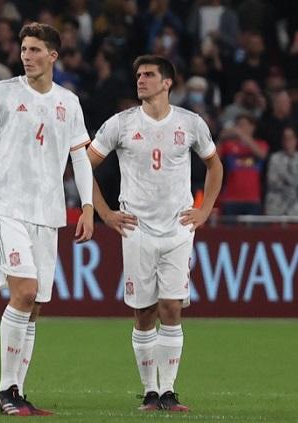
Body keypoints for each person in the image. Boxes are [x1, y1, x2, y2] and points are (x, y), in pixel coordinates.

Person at [0, 22, 95, 416]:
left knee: (33, 305)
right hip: (6, 209)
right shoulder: (4, 93)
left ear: (53, 56)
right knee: (24, 291)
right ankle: (5, 390)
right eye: (24, 49)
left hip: (48, 213)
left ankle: (16, 391)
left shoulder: (68, 102)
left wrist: (86, 206)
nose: (27, 56)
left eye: (36, 50)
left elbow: (80, 156)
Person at [87, 55, 223, 411]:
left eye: (149, 75)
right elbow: (83, 165)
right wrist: (104, 213)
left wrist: (205, 208)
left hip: (178, 228)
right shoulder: (120, 124)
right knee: (144, 312)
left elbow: (214, 164)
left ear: (167, 83)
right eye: (139, 75)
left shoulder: (190, 123)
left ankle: (169, 391)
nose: (141, 80)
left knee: (171, 308)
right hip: (137, 230)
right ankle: (150, 392)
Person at [264, 126, 298, 216]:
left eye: (290, 138)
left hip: (295, 208)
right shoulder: (275, 158)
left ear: (296, 139)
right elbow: (272, 181)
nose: (287, 141)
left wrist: (284, 177)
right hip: (276, 206)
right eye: (285, 138)